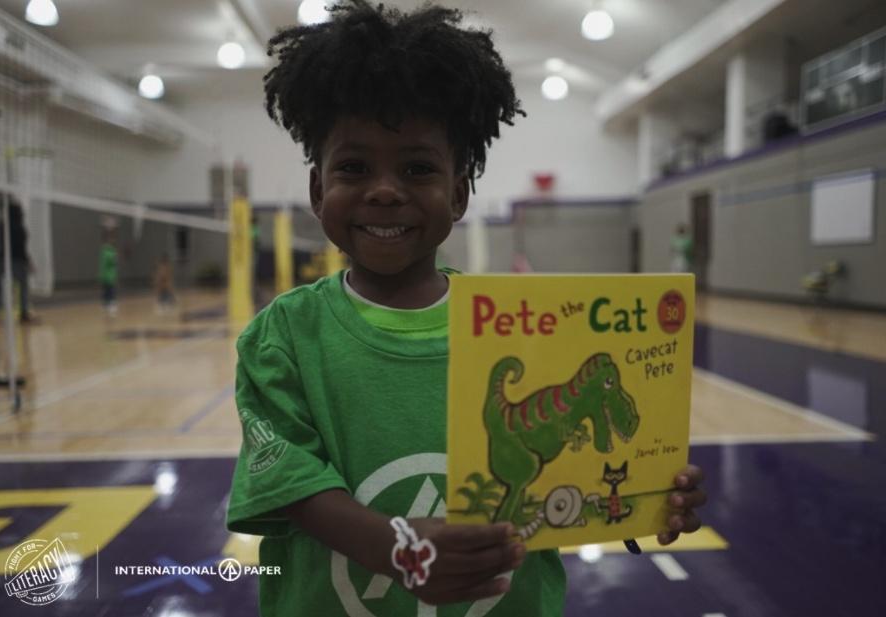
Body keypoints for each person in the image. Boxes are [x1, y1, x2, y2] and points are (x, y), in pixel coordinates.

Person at [226, 2, 707, 616]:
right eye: (353, 167)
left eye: (417, 168)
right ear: (318, 190)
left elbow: (573, 469)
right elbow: (291, 484)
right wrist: (396, 547)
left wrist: (645, 495)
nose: (383, 188)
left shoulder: (527, 326)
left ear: (458, 193)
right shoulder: (283, 336)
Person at [0, 194, 36, 323]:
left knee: (0, 287)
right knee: (23, 287)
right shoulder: (20, 229)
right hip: (18, 262)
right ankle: (24, 314)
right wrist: (29, 262)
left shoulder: (2, 226)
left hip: (3, 260)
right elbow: (22, 248)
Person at [99, 227, 119, 317]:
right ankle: (110, 304)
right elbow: (112, 262)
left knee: (107, 290)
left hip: (107, 275)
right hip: (108, 276)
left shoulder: (105, 250)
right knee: (110, 290)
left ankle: (107, 304)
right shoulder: (109, 251)